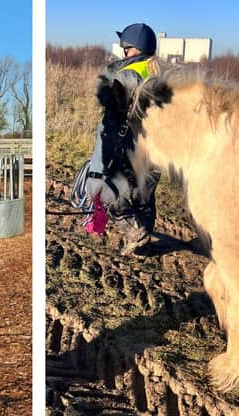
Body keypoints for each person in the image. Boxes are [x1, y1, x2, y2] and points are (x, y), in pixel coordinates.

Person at [76, 23, 163, 255]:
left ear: (130, 48)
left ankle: (136, 233)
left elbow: (110, 126)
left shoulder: (126, 76)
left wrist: (100, 163)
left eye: (124, 47)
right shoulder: (155, 73)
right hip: (154, 154)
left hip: (131, 155)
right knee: (144, 199)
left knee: (112, 198)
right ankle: (141, 243)